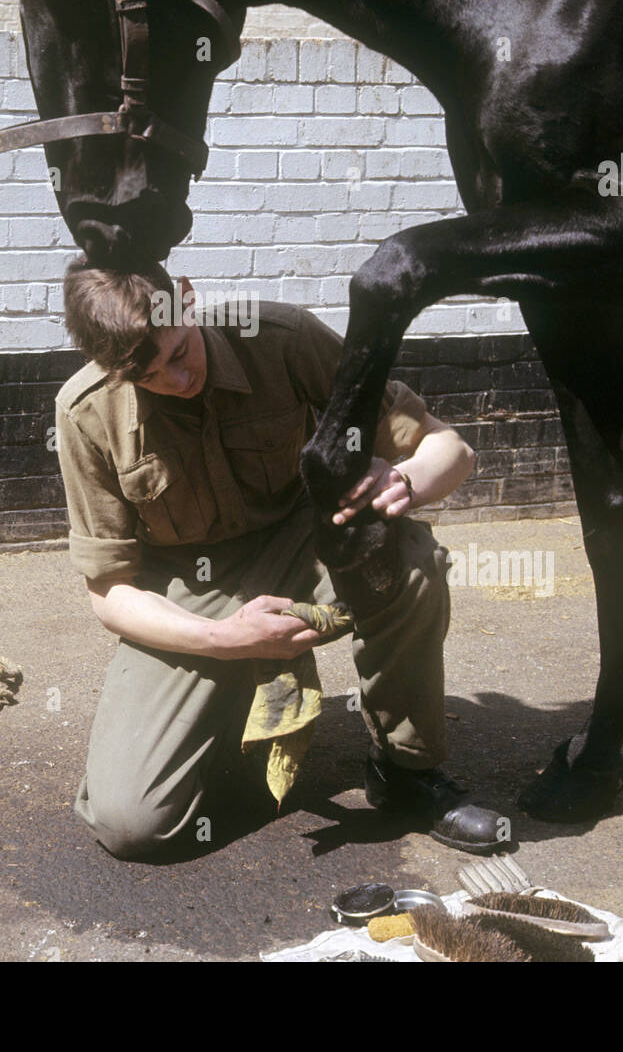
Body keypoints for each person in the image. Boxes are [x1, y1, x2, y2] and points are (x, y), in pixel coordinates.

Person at [54, 256, 510, 861]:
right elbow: (108, 592)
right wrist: (224, 640)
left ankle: (406, 771)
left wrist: (405, 481)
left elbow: (446, 445)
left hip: (308, 549)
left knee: (407, 558)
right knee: (133, 826)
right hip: (193, 593)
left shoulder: (283, 339)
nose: (177, 378)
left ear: (186, 298)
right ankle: (232, 707)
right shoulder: (84, 412)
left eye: (180, 351)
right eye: (149, 375)